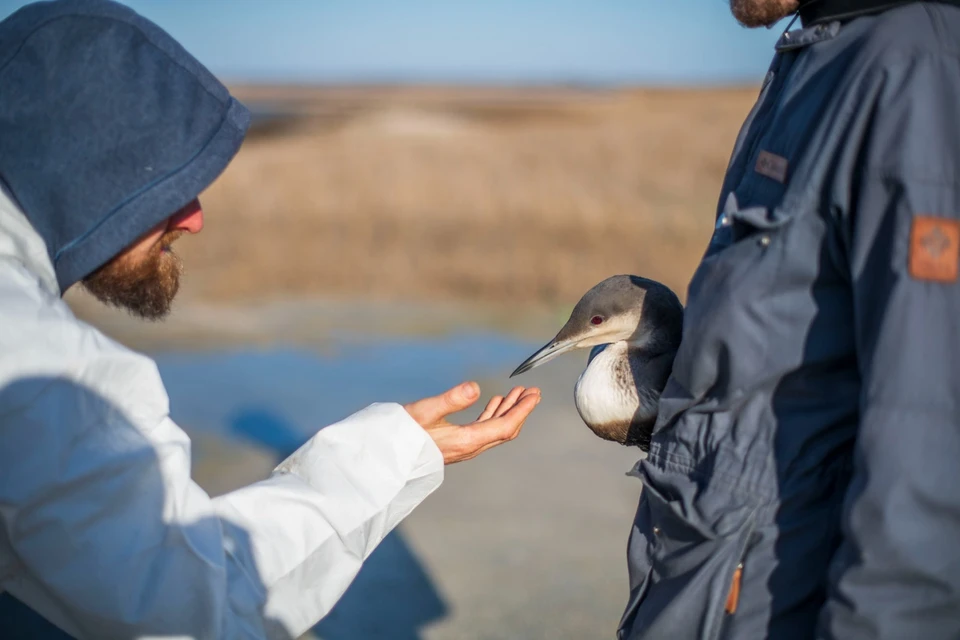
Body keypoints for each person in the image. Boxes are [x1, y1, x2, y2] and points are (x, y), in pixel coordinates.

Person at [0, 1, 540, 638]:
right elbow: (196, 608)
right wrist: (392, 456)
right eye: (163, 183)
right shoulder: (48, 375)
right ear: (81, 173)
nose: (195, 218)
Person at [618, 1, 960, 638]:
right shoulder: (817, 55)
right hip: (708, 589)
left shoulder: (917, 72)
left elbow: (934, 437)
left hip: (774, 602)